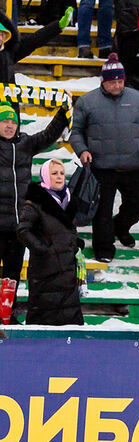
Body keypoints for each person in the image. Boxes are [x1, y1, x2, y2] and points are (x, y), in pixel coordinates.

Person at [69, 56, 139, 263]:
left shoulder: (137, 98)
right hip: (101, 166)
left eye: (120, 81)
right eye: (112, 82)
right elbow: (76, 132)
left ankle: (120, 226)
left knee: (138, 202)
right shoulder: (87, 101)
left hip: (132, 165)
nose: (117, 86)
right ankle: (103, 248)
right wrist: (82, 150)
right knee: (102, 210)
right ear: (103, 81)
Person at [0, 101, 68, 296]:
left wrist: (63, 113)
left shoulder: (25, 144)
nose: (9, 126)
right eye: (4, 121)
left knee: (12, 275)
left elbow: (48, 135)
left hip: (18, 228)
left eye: (13, 122)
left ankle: (8, 311)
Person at [17, 158, 82, 325]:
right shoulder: (35, 203)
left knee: (70, 320)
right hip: (45, 270)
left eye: (62, 173)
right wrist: (44, 250)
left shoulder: (69, 201)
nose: (59, 176)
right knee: (44, 320)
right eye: (54, 173)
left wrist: (74, 245)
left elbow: (70, 230)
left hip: (67, 270)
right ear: (45, 176)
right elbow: (23, 230)